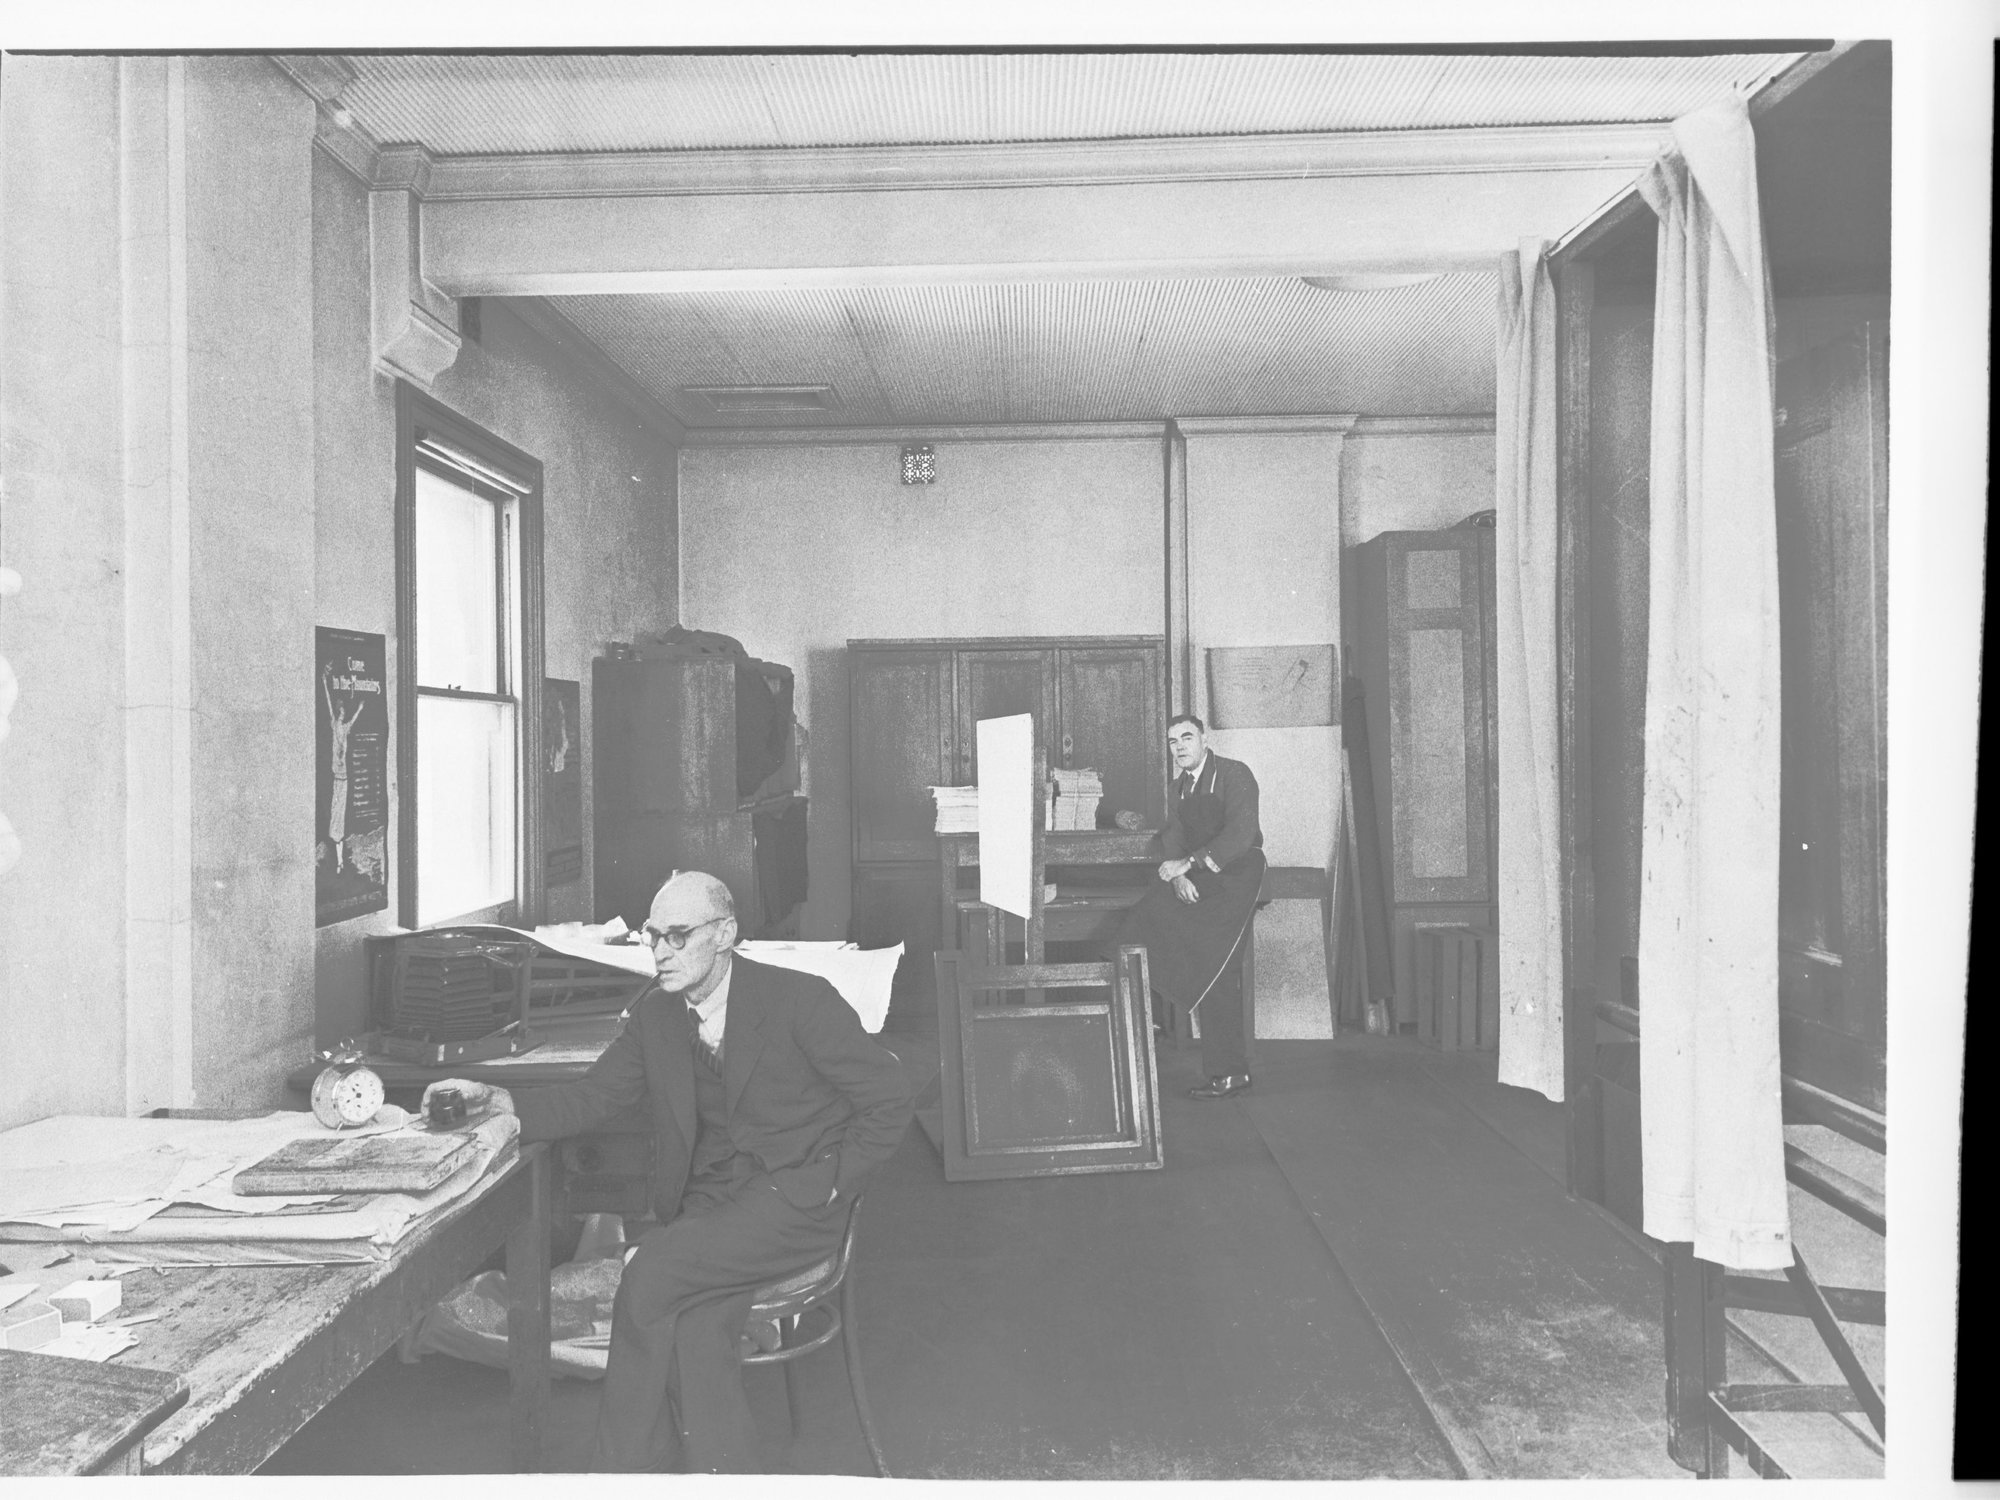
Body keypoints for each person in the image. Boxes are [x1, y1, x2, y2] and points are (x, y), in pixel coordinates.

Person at [421, 870, 914, 1472]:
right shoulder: (656, 1015)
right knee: (697, 1329)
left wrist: (836, 1180)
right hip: (711, 1208)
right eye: (653, 935)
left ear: (725, 933)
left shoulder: (799, 1001)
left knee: (650, 1277)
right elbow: (592, 1098)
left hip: (795, 1202)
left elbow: (890, 1096)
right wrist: (503, 1103)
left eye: (677, 936)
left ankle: (617, 1475)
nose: (659, 951)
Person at [1118, 713, 1265, 1099]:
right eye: (1172, 741)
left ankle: (1230, 1072)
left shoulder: (1235, 775)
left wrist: (1190, 864)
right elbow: (1175, 838)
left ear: (1204, 739)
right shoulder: (1177, 788)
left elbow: (1240, 834)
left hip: (1237, 874)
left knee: (1215, 965)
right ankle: (1139, 1031)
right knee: (1142, 921)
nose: (1180, 746)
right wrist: (1180, 876)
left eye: (1187, 737)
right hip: (1199, 876)